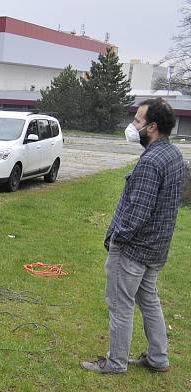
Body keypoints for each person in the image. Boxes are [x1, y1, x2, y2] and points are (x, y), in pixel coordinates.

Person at [82, 98, 184, 374]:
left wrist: (117, 238)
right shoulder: (173, 155)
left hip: (135, 250)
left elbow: (138, 212)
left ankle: (115, 362)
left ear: (152, 127)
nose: (133, 126)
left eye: (138, 121)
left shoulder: (151, 162)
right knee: (148, 299)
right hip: (156, 249)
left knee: (120, 303)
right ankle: (158, 358)